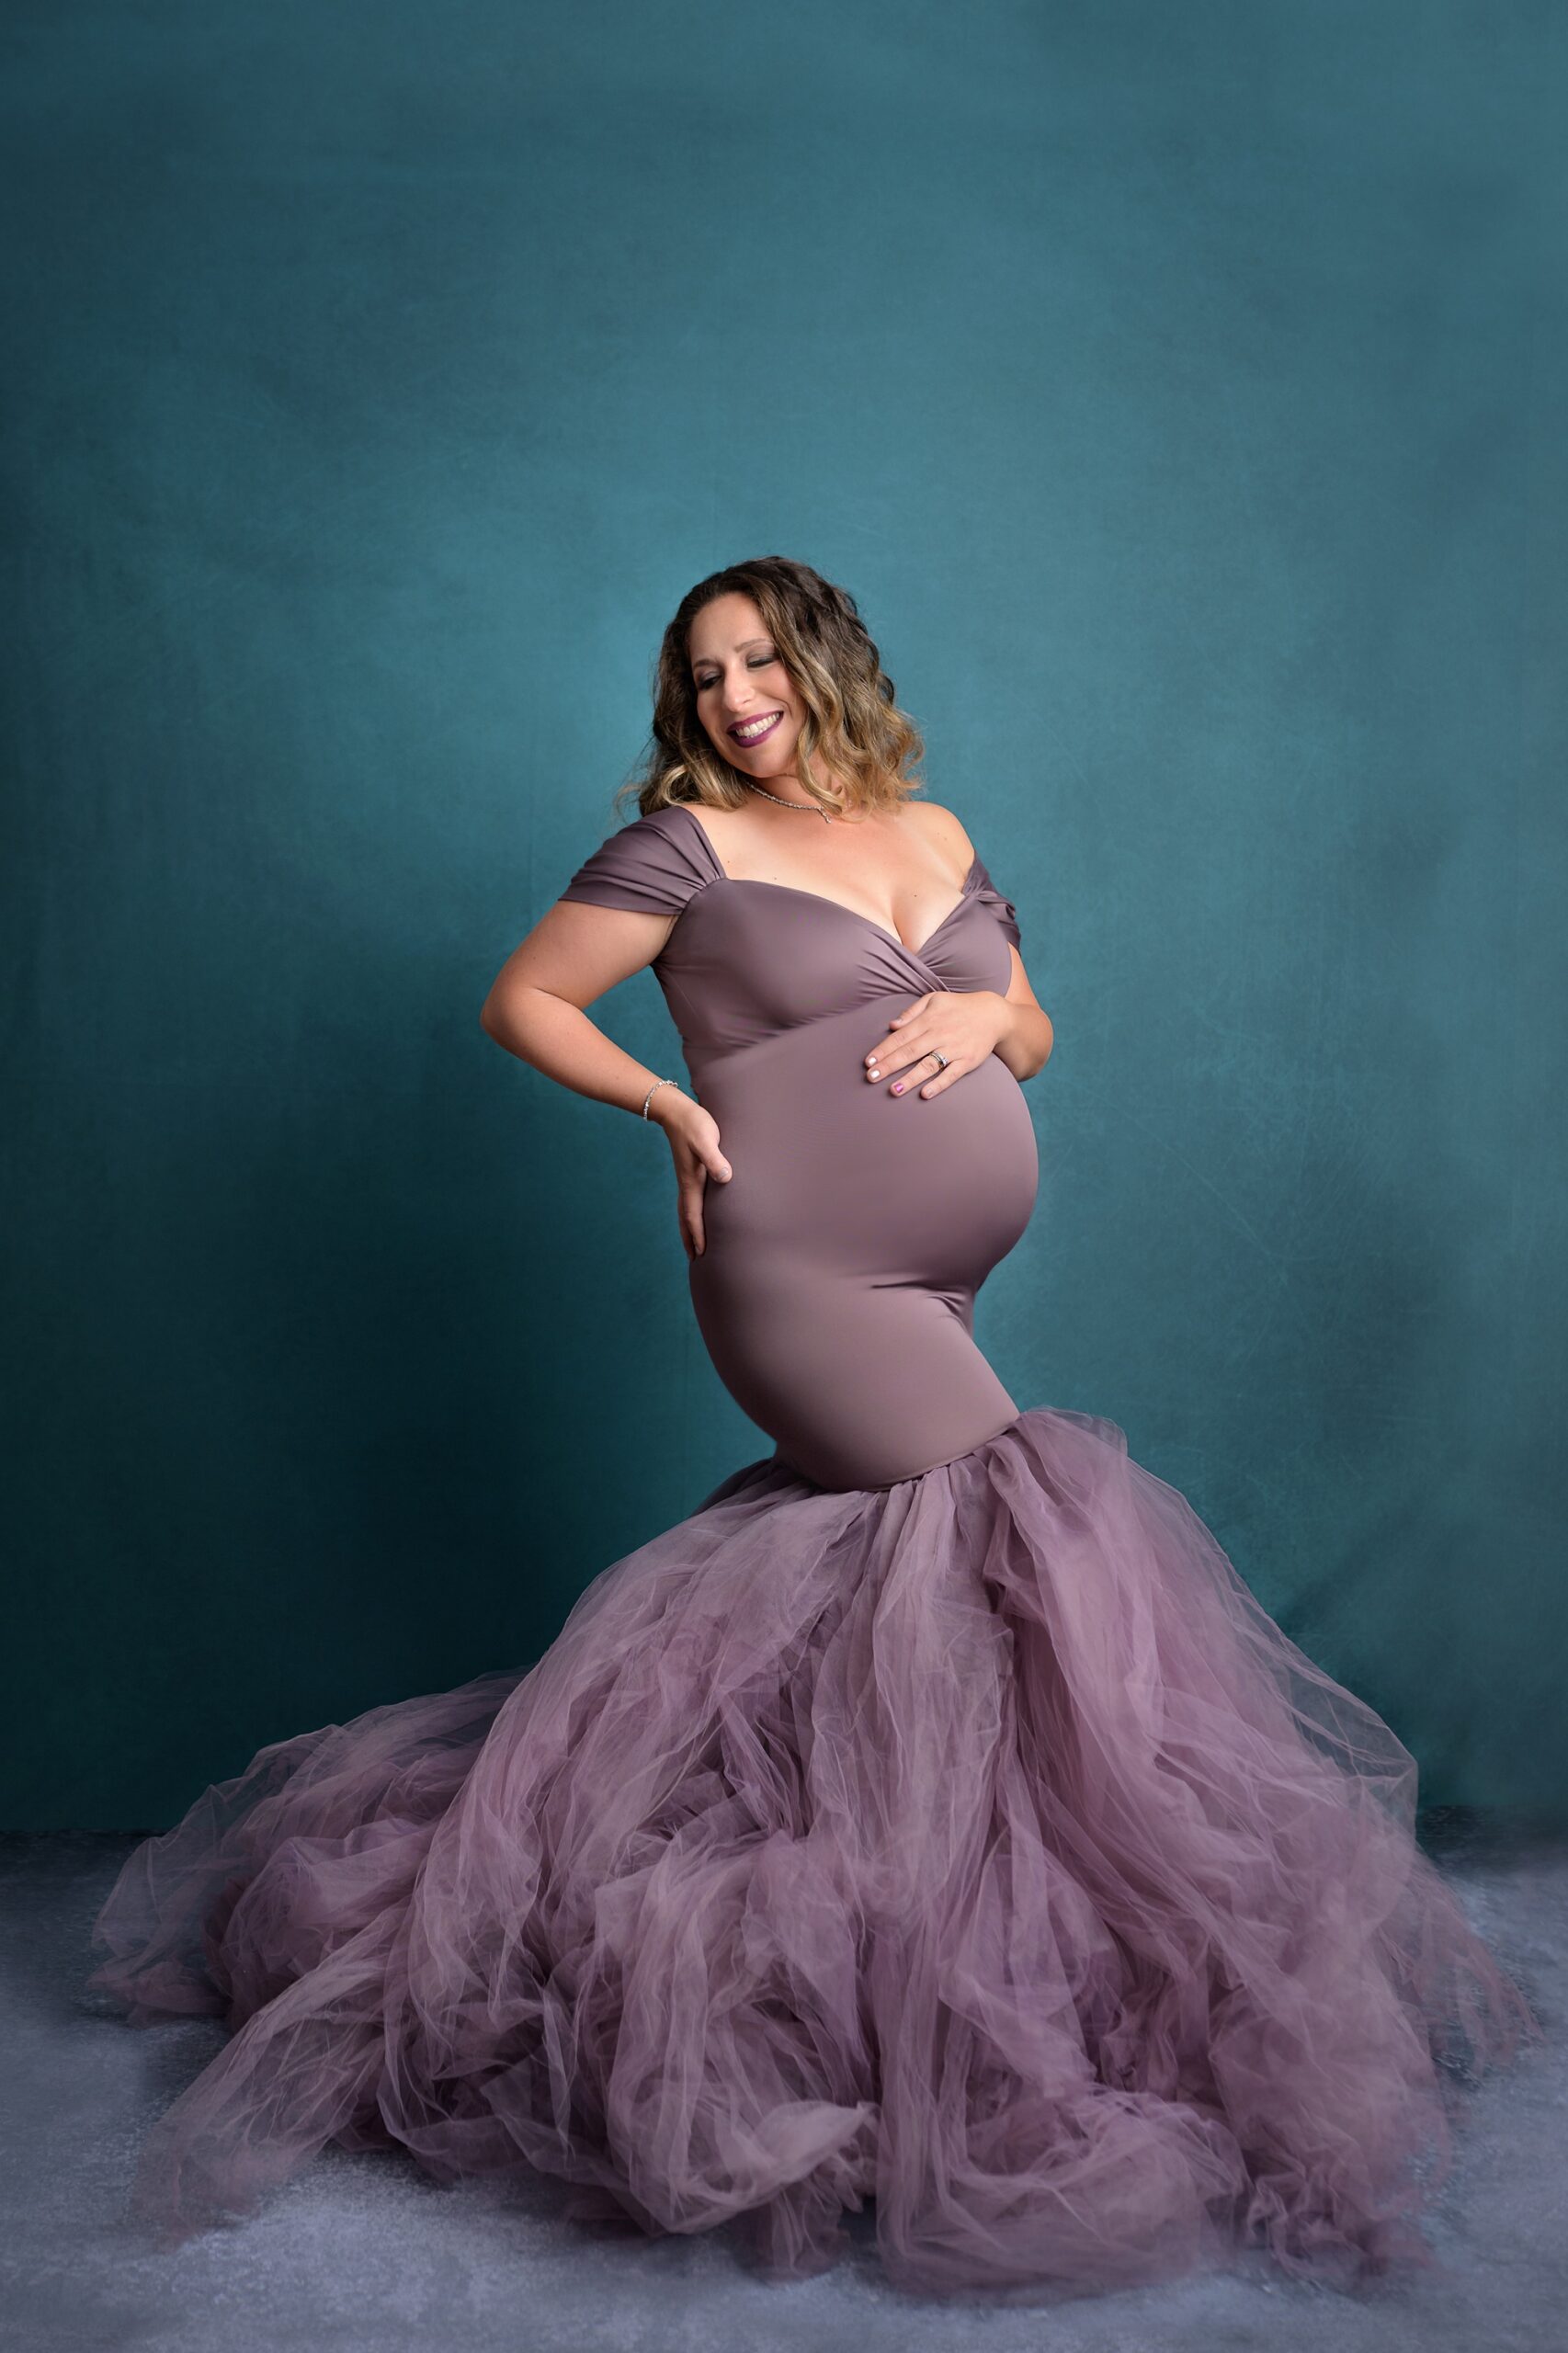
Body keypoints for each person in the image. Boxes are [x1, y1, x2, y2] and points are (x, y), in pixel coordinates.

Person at [86, 557, 1537, 2301]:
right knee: (1012, 1525)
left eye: (759, 660)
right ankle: (921, 2027)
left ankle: (903, 1978)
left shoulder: (932, 830)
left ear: (824, 663)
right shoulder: (682, 851)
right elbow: (525, 1000)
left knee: (902, 1600)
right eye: (702, 675)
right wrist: (672, 1114)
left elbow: (1038, 1028)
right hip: (805, 1270)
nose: (732, 696)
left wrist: (988, 1012)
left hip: (946, 1273)